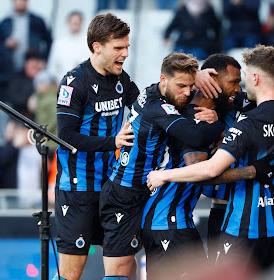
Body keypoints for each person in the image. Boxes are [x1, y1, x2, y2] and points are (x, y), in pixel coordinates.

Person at [147, 44, 274, 270]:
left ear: (255, 78)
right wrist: (195, 77)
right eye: (234, 82)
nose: (239, 87)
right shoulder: (202, 110)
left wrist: (164, 175)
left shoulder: (249, 118)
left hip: (238, 221)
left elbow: (208, 171)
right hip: (262, 220)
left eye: (243, 79)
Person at [99, 52, 226, 279]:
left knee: (131, 269)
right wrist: (220, 123)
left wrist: (196, 76)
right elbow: (193, 136)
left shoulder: (154, 90)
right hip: (123, 194)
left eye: (190, 86)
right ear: (163, 80)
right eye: (181, 86)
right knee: (119, 271)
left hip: (142, 192)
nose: (187, 92)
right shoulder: (157, 107)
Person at [141, 53, 258, 278]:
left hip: (179, 220)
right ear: (213, 83)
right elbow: (202, 175)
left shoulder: (209, 115)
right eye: (233, 82)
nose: (237, 89)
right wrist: (251, 172)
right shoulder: (194, 120)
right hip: (166, 221)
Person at [53, 13, 139, 280]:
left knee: (125, 267)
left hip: (111, 188)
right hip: (77, 190)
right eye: (118, 48)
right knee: (70, 274)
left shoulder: (121, 79)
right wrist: (112, 142)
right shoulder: (74, 82)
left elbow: (147, 104)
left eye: (127, 47)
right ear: (97, 46)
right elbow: (66, 136)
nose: (125, 53)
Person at [0, 0, 52, 102]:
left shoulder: (37, 21)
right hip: (11, 71)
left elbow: (49, 41)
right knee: (12, 99)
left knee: (30, 100)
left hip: (31, 71)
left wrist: (44, 60)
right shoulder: (5, 22)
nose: (20, 2)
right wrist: (6, 44)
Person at [47, 11, 91, 83]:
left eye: (78, 22)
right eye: (73, 22)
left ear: (82, 23)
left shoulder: (89, 42)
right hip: (63, 83)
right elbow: (52, 68)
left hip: (84, 84)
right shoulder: (59, 43)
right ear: (68, 23)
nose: (75, 24)